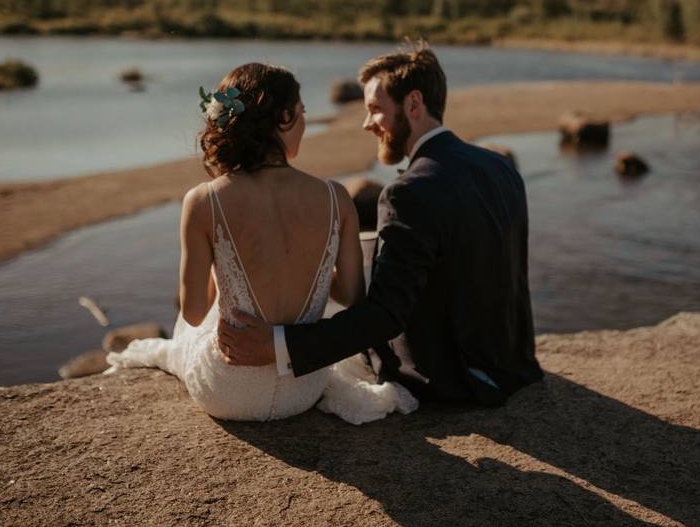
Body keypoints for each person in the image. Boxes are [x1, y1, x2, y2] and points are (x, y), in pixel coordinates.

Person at [221, 44, 543, 405]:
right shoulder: (500, 166)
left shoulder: (409, 192)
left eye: (375, 109)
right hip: (514, 367)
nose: (366, 123)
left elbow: (386, 315)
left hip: (455, 381)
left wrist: (277, 346)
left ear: (414, 104)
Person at [106, 62, 417, 424]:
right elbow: (350, 295)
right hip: (304, 385)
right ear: (283, 117)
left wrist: (224, 263)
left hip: (227, 389)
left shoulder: (204, 200)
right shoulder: (336, 197)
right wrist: (308, 270)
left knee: (189, 338)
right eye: (301, 113)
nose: (303, 123)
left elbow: (192, 313)